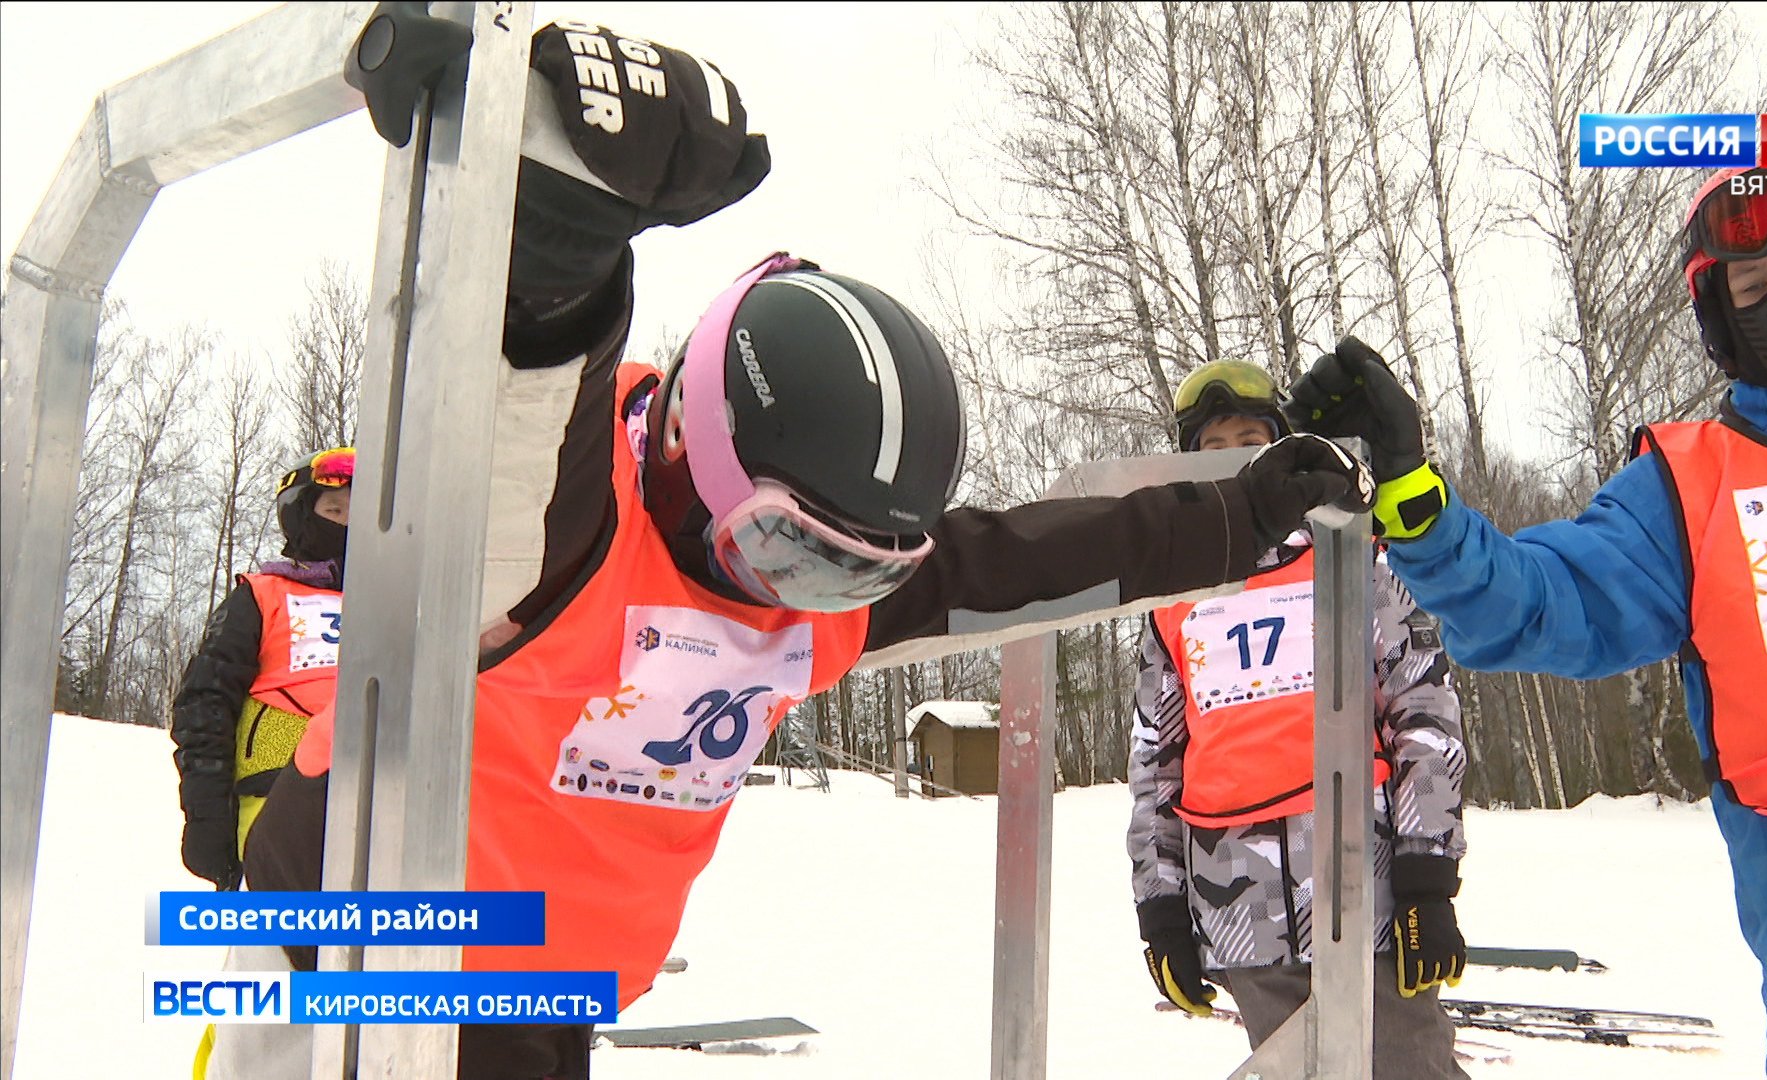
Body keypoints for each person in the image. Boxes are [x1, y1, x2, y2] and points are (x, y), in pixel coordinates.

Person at [207, 20, 1375, 1080]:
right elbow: (514, 393)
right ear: (688, 450)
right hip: (363, 967)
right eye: (794, 551)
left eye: (857, 571)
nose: (809, 601)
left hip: (544, 999)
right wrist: (556, 232)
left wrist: (1232, 514)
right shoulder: (564, 528)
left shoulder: (813, 609)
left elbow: (1021, 558)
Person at [1286, 155, 1767, 1080]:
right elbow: (1540, 600)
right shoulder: (1690, 490)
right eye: (1757, 281)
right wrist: (1413, 493)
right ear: (1721, 317)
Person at [1126, 361, 1469, 1076]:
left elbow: (1424, 708)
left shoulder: (1352, 556)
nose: (1238, 457)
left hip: (1364, 889)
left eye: (1252, 438)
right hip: (1239, 904)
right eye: (1215, 445)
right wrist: (1161, 910)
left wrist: (1427, 874)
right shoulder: (1173, 598)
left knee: (1409, 1065)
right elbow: (1155, 763)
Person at [169, 447, 354, 891]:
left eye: (359, 514)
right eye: (335, 509)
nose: (348, 524)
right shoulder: (261, 596)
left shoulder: (398, 605)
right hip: (275, 803)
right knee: (282, 950)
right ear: (302, 518)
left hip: (379, 805)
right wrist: (207, 811)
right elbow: (205, 703)